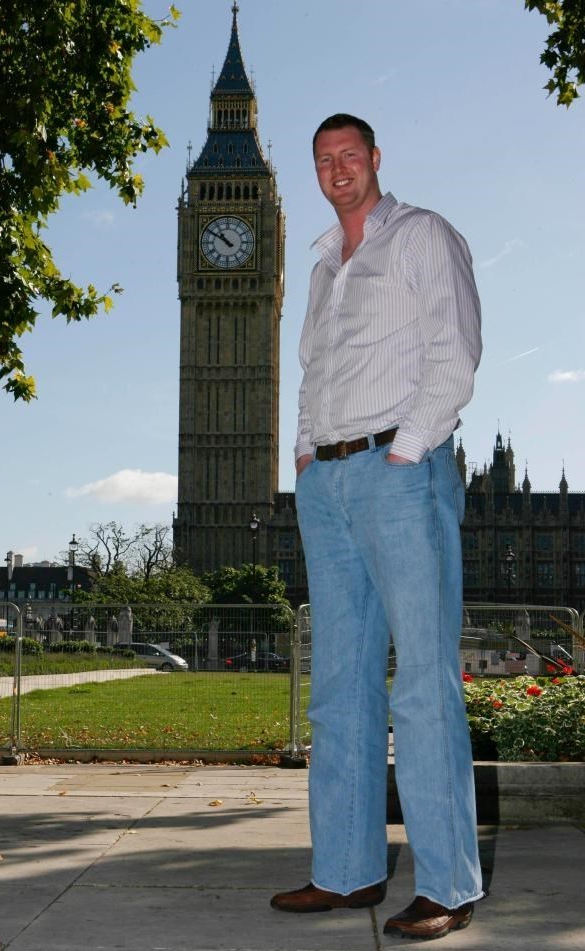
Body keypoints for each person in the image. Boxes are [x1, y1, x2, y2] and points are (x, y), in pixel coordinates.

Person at [270, 114, 484, 941]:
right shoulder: (324, 265)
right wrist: (304, 455)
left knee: (423, 683)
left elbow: (455, 349)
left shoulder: (423, 234)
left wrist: (407, 450)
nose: (337, 169)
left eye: (349, 155)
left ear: (374, 160)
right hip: (326, 483)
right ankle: (347, 869)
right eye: (324, 159)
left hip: (397, 473)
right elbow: (314, 369)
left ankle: (447, 883)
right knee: (339, 688)